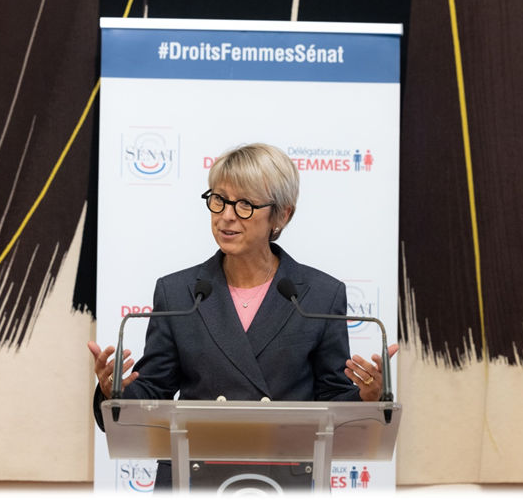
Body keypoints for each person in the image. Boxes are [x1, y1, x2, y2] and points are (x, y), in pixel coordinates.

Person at [88, 143, 398, 497]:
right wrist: (114, 391)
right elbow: (152, 393)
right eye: (219, 200)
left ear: (282, 215)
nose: (226, 216)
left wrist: (367, 398)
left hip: (289, 481)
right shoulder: (178, 293)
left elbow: (333, 400)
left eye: (245, 205)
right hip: (194, 481)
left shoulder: (320, 295)